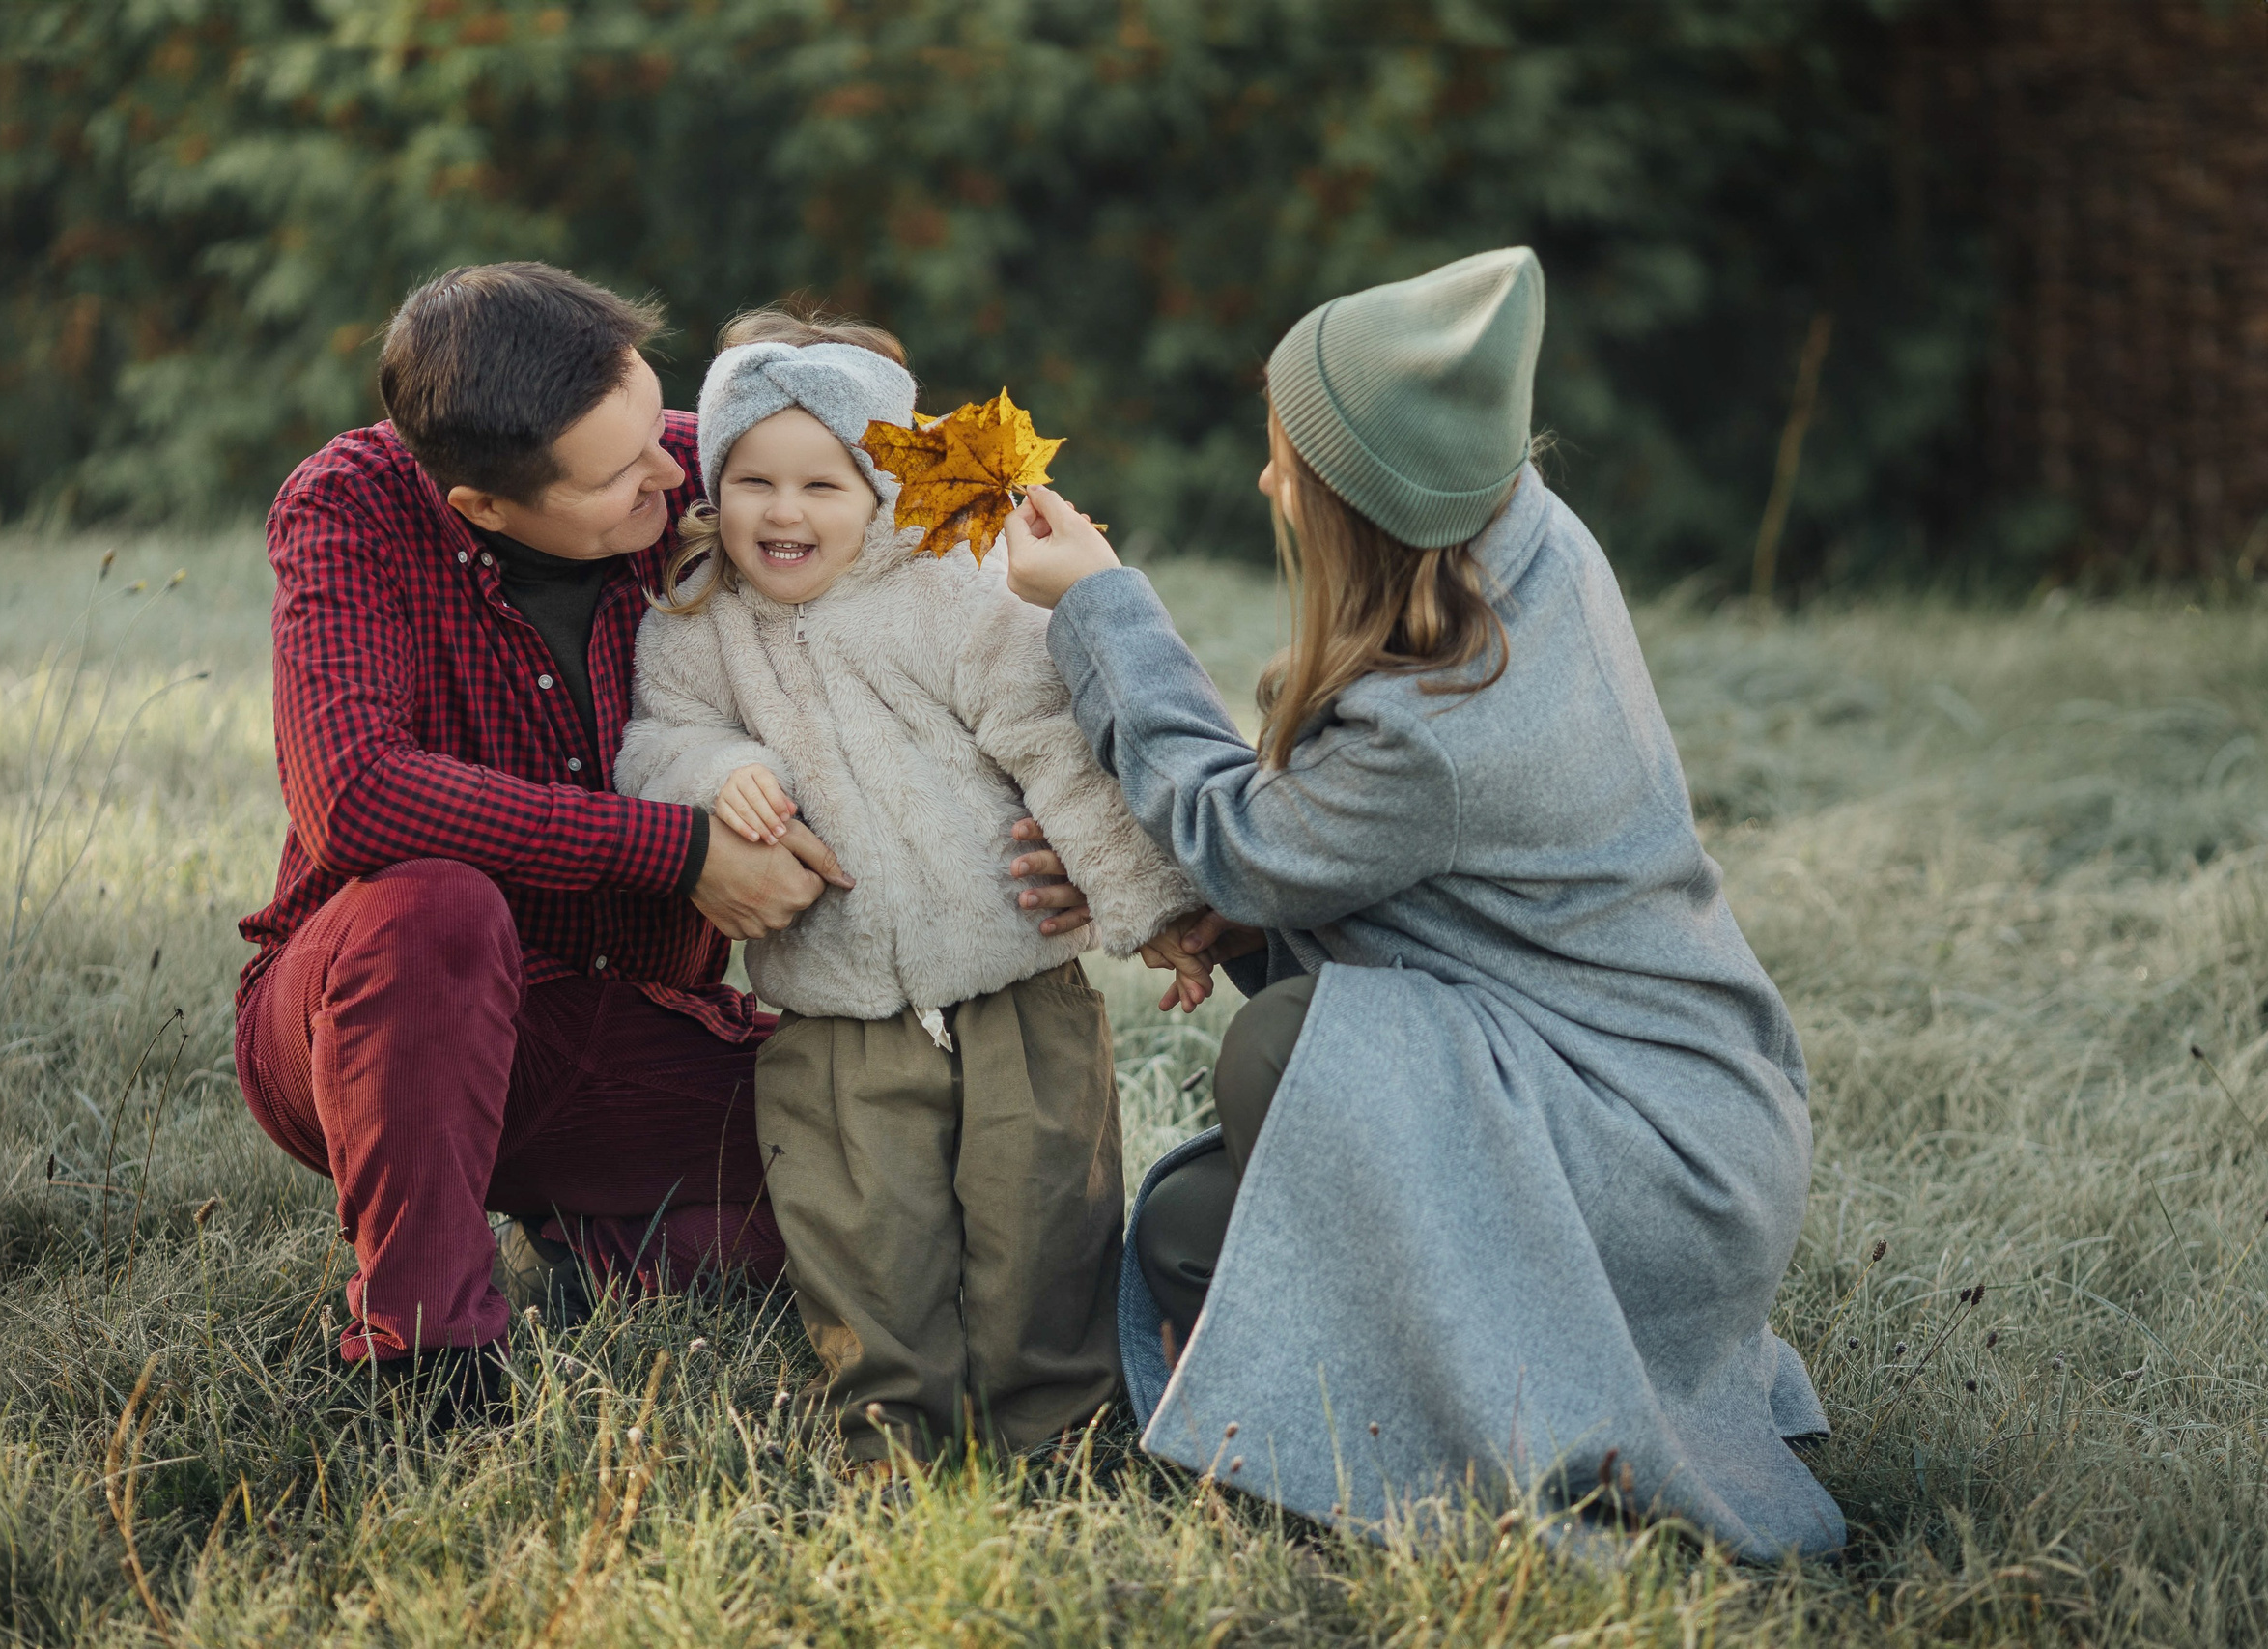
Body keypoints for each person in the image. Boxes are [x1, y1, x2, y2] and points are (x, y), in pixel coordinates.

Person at [998, 247, 1847, 1559]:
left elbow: (1245, 845)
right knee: (1182, 1233)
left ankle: (1463, 1428)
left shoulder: (1446, 718)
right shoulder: (1528, 541)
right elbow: (1368, 879)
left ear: (1365, 509)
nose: (1266, 481)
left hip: (1652, 1167)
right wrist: (1237, 916)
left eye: (1289, 462)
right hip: (1667, 1111)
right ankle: (1357, 1383)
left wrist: (1109, 609)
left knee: (1282, 1048)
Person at [232, 265, 1094, 1421]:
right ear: (483, 504)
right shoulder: (351, 506)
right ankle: (428, 1356)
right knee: (429, 908)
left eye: (657, 424)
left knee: (885, 1197)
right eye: (620, 473)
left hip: (630, 1024)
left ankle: (606, 1234)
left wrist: (1056, 814)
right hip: (373, 1028)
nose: (671, 469)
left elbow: (958, 539)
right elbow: (356, 795)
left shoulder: (724, 463)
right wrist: (676, 849)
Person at [614, 310, 1208, 1466]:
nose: (782, 513)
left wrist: (1153, 908)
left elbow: (1061, 753)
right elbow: (658, 737)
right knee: (861, 1237)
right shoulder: (699, 618)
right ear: (712, 483)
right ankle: (895, 1442)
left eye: (821, 484)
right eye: (751, 481)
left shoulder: (953, 591)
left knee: (1041, 1218)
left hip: (1012, 982)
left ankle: (1056, 1435)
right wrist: (722, 771)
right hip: (832, 1011)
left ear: (881, 487)